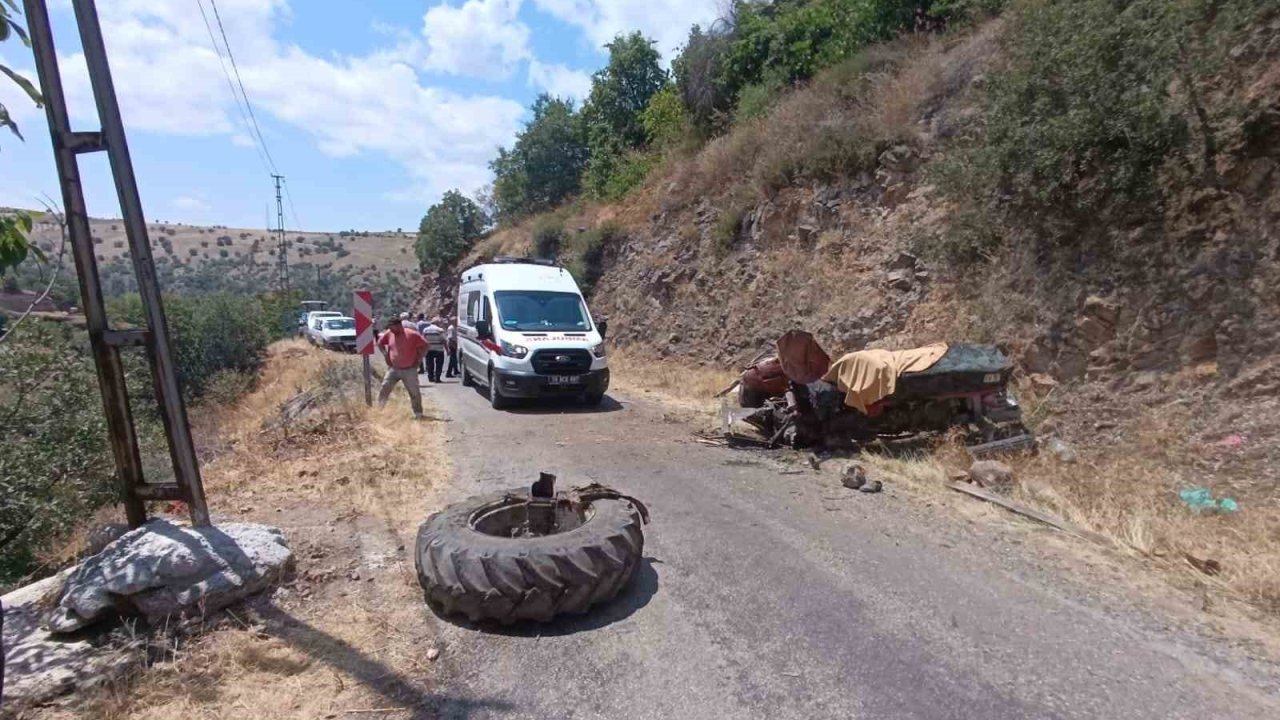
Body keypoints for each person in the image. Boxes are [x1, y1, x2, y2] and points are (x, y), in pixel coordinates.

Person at [376, 316, 428, 418]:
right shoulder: (389, 333)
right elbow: (380, 343)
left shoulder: (412, 334)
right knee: (385, 387)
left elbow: (425, 345)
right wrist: (385, 355)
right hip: (394, 369)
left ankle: (418, 413)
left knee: (414, 392)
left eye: (392, 327)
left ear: (399, 325)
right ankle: (378, 410)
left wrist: (419, 359)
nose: (391, 330)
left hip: (409, 369)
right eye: (389, 328)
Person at [420, 316, 446, 383]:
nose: (440, 323)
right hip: (439, 349)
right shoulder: (440, 330)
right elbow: (443, 340)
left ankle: (430, 377)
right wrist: (447, 349)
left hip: (429, 349)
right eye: (440, 322)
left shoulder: (425, 330)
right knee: (439, 364)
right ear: (437, 323)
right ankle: (437, 378)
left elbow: (423, 340)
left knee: (429, 364)